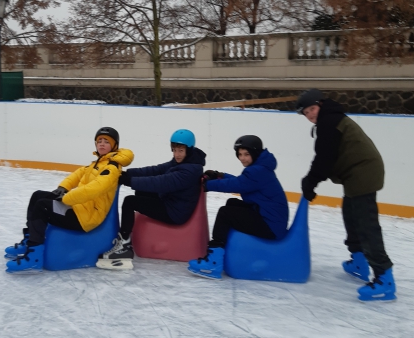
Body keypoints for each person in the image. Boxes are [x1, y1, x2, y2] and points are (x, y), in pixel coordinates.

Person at [296, 88, 396, 301]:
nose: (310, 115)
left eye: (312, 109)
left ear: (320, 105)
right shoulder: (330, 119)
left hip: (363, 172)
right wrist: (311, 181)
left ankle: (384, 278)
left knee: (366, 225)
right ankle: (359, 261)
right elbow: (326, 157)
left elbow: (324, 159)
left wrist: (310, 181)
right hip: (356, 173)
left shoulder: (329, 122)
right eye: (306, 113)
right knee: (350, 215)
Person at [4, 127, 134, 274]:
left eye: (106, 142)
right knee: (38, 195)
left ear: (114, 146)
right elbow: (78, 174)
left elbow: (95, 188)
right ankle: (29, 240)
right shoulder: (97, 164)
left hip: (87, 217)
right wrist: (63, 188)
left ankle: (34, 257)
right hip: (80, 208)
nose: (102, 144)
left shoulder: (111, 167)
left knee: (42, 206)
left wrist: (67, 198)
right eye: (99, 141)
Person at [96, 129, 206, 270]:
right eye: (174, 150)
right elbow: (156, 170)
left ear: (189, 150)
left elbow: (161, 182)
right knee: (141, 191)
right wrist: (125, 173)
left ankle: (124, 245)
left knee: (130, 202)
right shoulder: (183, 162)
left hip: (175, 212)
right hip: (173, 201)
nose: (176, 154)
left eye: (180, 151)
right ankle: (128, 233)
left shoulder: (189, 171)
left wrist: (129, 181)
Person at [188, 135, 289, 280]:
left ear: (255, 153)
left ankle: (213, 262)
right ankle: (225, 249)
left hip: (271, 225)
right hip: (269, 218)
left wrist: (207, 185)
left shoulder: (258, 171)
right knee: (232, 204)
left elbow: (237, 185)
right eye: (240, 154)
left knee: (225, 213)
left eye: (246, 154)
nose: (242, 158)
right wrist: (219, 175)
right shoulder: (260, 168)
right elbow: (241, 181)